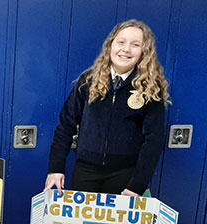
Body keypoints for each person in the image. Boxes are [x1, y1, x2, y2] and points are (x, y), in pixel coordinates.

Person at [44, 20, 170, 197]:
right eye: (121, 42)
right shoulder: (88, 81)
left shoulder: (150, 88)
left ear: (144, 52)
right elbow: (66, 125)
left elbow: (154, 141)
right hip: (86, 171)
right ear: (111, 44)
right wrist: (55, 168)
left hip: (125, 174)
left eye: (135, 45)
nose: (126, 49)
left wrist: (137, 185)